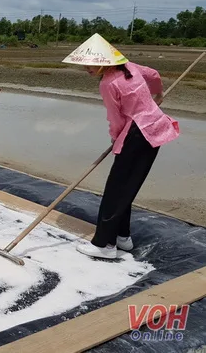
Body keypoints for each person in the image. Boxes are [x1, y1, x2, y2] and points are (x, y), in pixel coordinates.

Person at [61, 33, 179, 259]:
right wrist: (159, 94)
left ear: (105, 62)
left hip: (137, 134)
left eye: (91, 63)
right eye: (85, 64)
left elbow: (115, 119)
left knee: (116, 190)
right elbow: (153, 75)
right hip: (154, 128)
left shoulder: (108, 83)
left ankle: (104, 244)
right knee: (127, 186)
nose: (87, 67)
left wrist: (116, 138)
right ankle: (123, 237)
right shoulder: (131, 67)